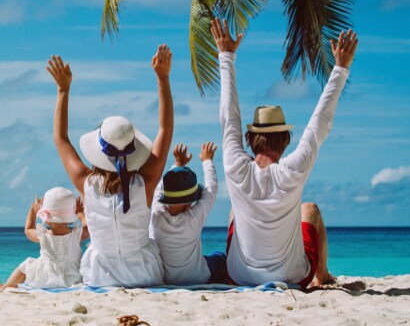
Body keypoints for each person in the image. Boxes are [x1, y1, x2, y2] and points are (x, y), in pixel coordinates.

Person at [212, 18, 358, 289]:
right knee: (310, 209)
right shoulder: (293, 170)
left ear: (249, 140)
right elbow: (319, 123)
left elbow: (228, 117)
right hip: (292, 277)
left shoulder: (235, 166)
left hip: (239, 276)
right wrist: (340, 68)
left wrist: (226, 56)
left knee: (235, 209)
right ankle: (322, 276)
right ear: (286, 140)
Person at [46, 45, 174, 287]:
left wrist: (63, 90)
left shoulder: (87, 183)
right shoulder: (145, 184)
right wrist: (163, 78)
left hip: (99, 276)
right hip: (144, 274)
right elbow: (165, 130)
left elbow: (60, 138)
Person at [150, 142, 227, 284]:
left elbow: (159, 189)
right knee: (220, 257)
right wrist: (207, 160)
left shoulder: (156, 216)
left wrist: (178, 165)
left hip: (168, 279)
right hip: (198, 278)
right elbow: (211, 189)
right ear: (190, 202)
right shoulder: (193, 218)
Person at [0, 187, 89, 290]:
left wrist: (33, 212)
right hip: (73, 277)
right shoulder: (77, 234)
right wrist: (80, 214)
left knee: (27, 264)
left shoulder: (43, 235)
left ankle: (6, 286)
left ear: (46, 218)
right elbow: (88, 228)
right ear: (70, 218)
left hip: (47, 277)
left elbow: (28, 230)